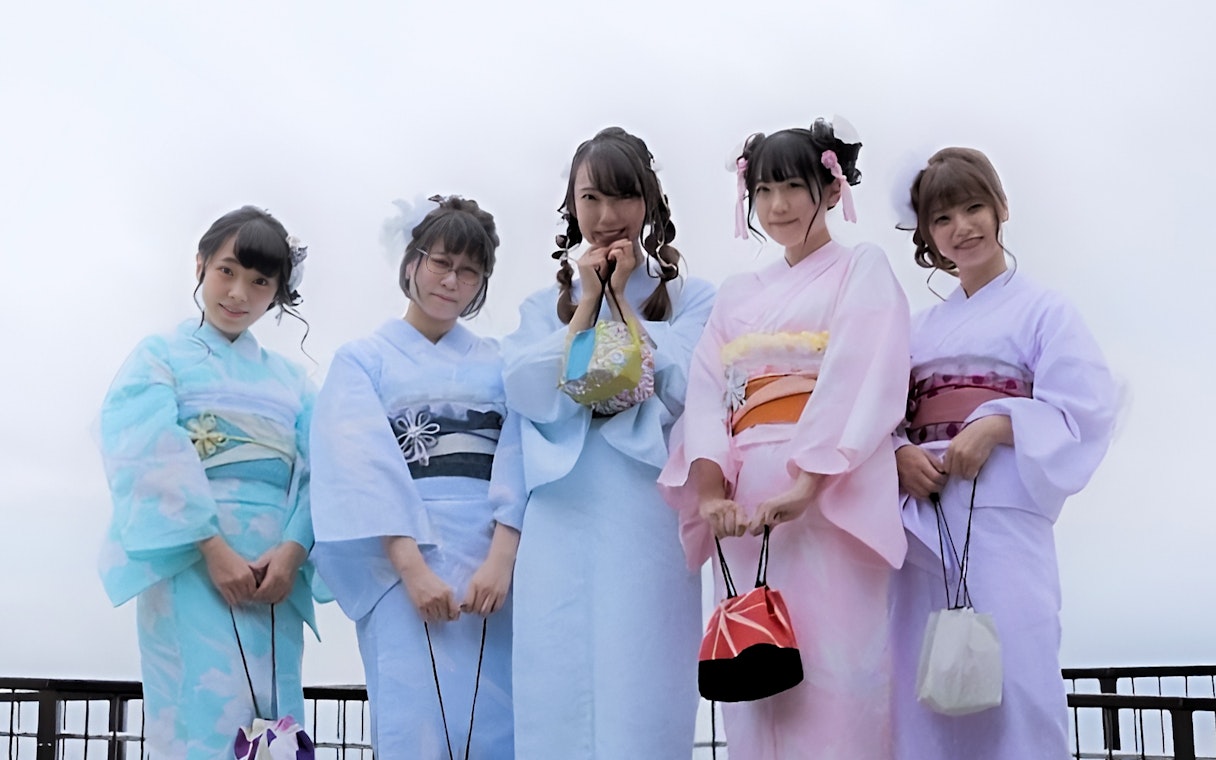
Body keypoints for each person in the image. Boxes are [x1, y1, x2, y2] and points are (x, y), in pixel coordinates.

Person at [659, 117, 911, 760]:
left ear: (829, 188)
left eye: (792, 187)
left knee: (839, 674)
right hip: (748, 507)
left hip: (827, 498)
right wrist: (712, 491)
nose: (777, 205)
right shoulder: (738, 293)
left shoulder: (862, 268)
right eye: (764, 191)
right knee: (756, 685)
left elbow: (861, 372)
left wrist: (808, 483)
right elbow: (709, 388)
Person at [888, 147, 1117, 759]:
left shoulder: (1046, 310)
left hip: (1002, 515)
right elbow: (883, 413)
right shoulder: (915, 328)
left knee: (1018, 677)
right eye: (942, 219)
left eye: (973, 208)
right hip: (924, 521)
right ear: (928, 236)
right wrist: (897, 456)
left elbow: (1086, 408)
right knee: (922, 681)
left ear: (1001, 208)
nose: (961, 228)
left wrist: (999, 423)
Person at [501, 127, 714, 759]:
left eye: (623, 196)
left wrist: (621, 300)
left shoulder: (693, 298)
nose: (606, 216)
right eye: (591, 198)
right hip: (561, 511)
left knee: (644, 674)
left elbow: (690, 384)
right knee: (553, 676)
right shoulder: (545, 305)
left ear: (648, 202)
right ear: (572, 204)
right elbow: (523, 385)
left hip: (647, 506)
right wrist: (587, 301)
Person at [98, 206, 318, 759]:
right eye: (226, 271)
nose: (239, 293)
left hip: (273, 576)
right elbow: (146, 450)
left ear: (277, 293)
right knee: (200, 711)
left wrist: (292, 551)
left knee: (273, 718)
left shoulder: (293, 382)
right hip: (192, 563)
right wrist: (212, 548)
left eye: (260, 281)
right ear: (199, 264)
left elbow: (325, 471)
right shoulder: (160, 357)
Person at [310, 195, 524, 759]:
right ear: (412, 263)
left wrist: (501, 561)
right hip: (401, 567)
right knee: (413, 727)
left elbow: (522, 455)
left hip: (490, 570)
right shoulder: (362, 360)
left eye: (469, 271)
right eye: (441, 263)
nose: (452, 281)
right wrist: (411, 568)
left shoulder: (503, 363)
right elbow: (360, 470)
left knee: (497, 724)